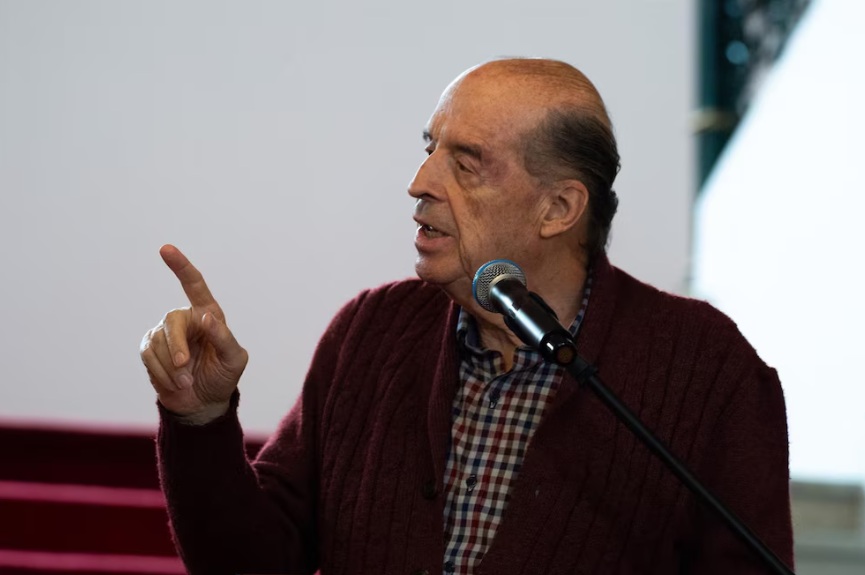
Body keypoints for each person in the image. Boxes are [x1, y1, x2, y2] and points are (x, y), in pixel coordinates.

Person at [140, 58, 793, 575]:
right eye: (430, 148)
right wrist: (200, 418)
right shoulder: (370, 332)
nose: (420, 182)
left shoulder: (710, 371)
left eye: (466, 163)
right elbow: (251, 563)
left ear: (558, 209)